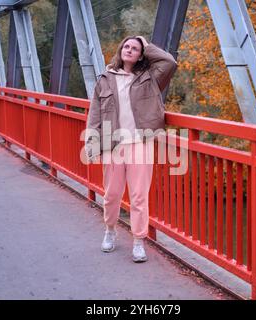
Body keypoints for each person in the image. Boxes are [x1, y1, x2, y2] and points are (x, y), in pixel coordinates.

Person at [84, 35, 177, 262]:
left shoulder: (149, 78)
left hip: (140, 143)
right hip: (113, 144)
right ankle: (110, 230)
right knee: (112, 194)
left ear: (140, 54)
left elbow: (170, 63)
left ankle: (138, 241)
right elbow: (94, 114)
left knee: (138, 196)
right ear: (120, 50)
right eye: (126, 46)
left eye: (135, 48)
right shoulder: (105, 79)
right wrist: (91, 141)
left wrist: (146, 44)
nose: (129, 50)